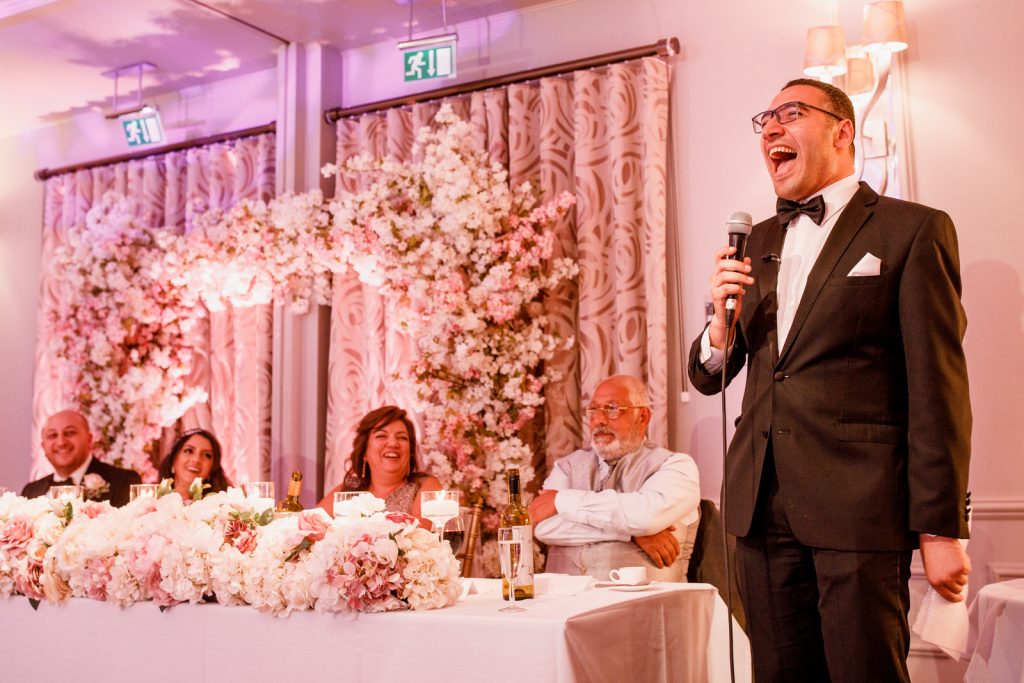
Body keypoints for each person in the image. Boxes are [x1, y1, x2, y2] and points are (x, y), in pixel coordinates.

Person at [687, 78, 972, 682]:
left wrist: (941, 525)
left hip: (859, 507)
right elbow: (713, 378)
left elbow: (938, 388)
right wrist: (718, 328)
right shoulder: (757, 240)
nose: (770, 129)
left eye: (790, 113)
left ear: (844, 131)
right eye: (764, 118)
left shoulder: (911, 230)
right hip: (760, 508)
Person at [530, 375, 700, 581]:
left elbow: (645, 517)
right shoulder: (566, 467)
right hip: (565, 605)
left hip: (647, 607)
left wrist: (560, 501)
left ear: (643, 417)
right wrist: (631, 533)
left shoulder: (676, 466)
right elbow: (544, 527)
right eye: (593, 410)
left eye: (612, 409)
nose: (599, 420)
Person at [317, 406, 442, 525]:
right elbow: (310, 528)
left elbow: (423, 538)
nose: (393, 443)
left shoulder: (424, 486)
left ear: (410, 452)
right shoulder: (349, 489)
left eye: (402, 438)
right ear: (364, 451)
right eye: (381, 436)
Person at [22, 409, 141, 507]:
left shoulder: (123, 482)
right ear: (43, 446)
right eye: (52, 435)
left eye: (69, 433)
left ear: (89, 440)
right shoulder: (31, 491)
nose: (61, 442)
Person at [157, 428, 231, 500]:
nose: (196, 460)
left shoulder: (222, 507)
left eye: (207, 455)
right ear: (173, 461)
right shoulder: (151, 502)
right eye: (189, 451)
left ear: (212, 468)